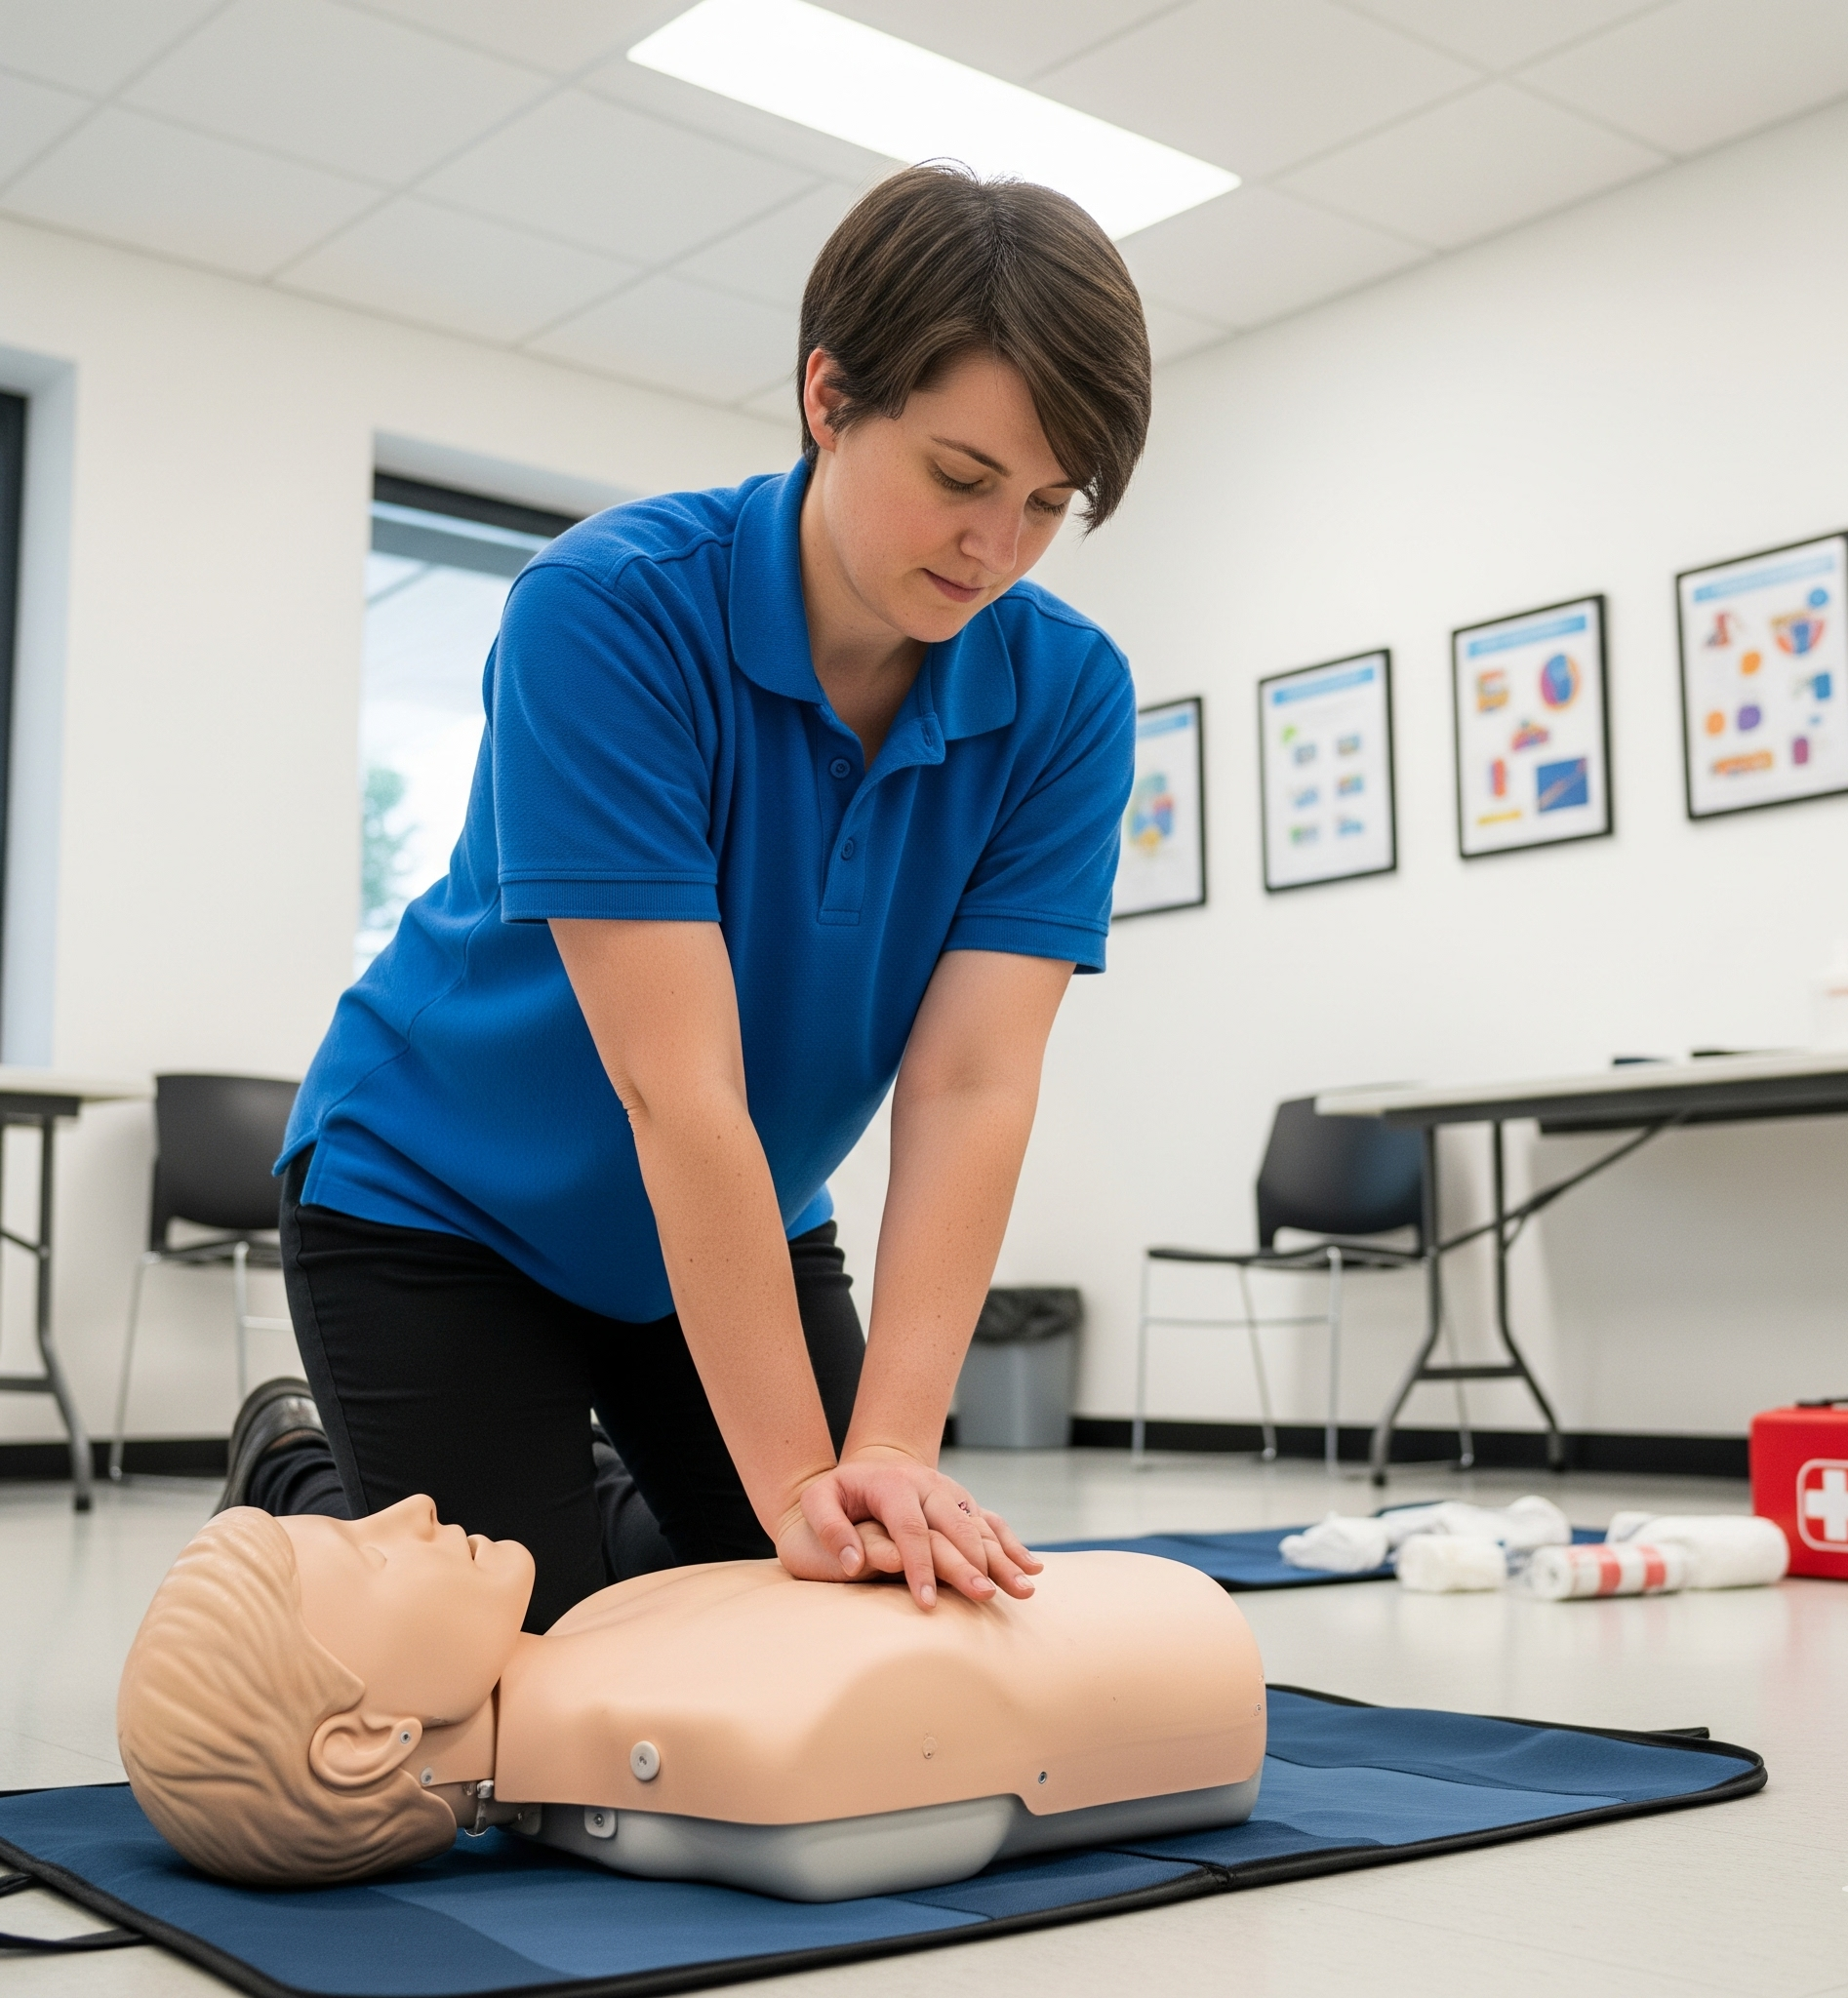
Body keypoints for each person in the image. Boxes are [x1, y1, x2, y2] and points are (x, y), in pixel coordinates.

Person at [239, 163, 1151, 1634]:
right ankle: (302, 1473)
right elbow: (680, 1092)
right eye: (961, 478)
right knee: (512, 1686)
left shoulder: (1067, 699)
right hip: (443, 1207)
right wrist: (798, 1486)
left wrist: (886, 1463)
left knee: (861, 1625)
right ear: (827, 396)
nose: (998, 549)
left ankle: (591, 1506)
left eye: (1048, 503)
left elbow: (974, 1083)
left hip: (736, 1227)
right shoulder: (605, 614)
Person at [117, 1498, 1265, 1894]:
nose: (408, 1508)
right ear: (365, 1741)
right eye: (368, 1554)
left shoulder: (604, 1624)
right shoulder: (730, 1727)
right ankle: (293, 1468)